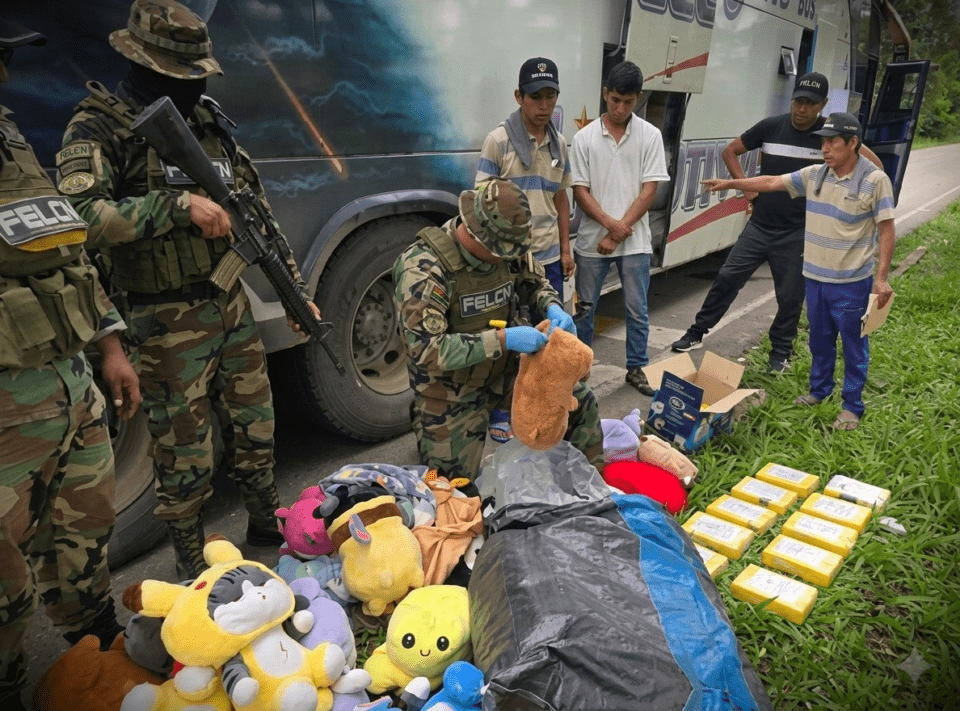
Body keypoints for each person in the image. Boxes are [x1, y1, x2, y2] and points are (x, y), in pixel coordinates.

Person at [58, 0, 320, 579]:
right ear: (144, 64)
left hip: (228, 303)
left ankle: (263, 526)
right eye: (181, 76)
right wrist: (175, 207)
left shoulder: (205, 121)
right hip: (162, 320)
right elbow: (78, 217)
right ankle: (191, 561)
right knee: (184, 453)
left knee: (257, 424)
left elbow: (257, 212)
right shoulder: (99, 125)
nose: (193, 86)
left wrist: (297, 293)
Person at [0, 21, 141, 710]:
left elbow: (64, 248)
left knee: (84, 546)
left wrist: (110, 344)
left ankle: (101, 665)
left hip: (69, 387)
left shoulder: (10, 135)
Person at [393, 179, 603, 480]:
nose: (508, 257)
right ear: (478, 237)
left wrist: (551, 305)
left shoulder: (505, 245)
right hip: (453, 390)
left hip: (506, 372)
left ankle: (592, 484)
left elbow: (535, 282)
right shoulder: (423, 269)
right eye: (501, 252)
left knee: (579, 400)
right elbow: (427, 350)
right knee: (455, 489)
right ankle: (427, 423)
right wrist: (505, 339)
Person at [702, 112, 895, 431]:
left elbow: (887, 229)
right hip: (815, 278)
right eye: (823, 141)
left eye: (833, 142)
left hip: (850, 282)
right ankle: (820, 391)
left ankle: (851, 406)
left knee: (852, 344)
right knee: (819, 340)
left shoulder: (875, 181)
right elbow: (771, 182)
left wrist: (882, 277)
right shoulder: (817, 174)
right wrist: (732, 182)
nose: (825, 148)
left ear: (852, 143)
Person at [671, 72, 834, 373]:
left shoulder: (829, 135)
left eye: (810, 104)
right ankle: (696, 333)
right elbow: (730, 151)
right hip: (760, 225)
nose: (801, 109)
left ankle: (780, 352)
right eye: (798, 101)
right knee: (727, 279)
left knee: (790, 296)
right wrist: (747, 187)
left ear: (823, 104)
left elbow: (858, 160)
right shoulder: (772, 126)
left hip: (798, 232)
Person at [569, 60, 670, 396]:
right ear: (605, 94)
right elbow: (580, 192)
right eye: (615, 100)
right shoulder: (584, 137)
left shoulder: (650, 135)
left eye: (628, 102)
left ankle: (636, 368)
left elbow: (649, 189)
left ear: (638, 98)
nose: (621, 108)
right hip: (591, 241)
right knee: (584, 309)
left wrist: (617, 231)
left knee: (637, 310)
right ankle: (579, 370)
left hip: (634, 241)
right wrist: (610, 226)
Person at [476, 56, 574, 300]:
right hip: (509, 262)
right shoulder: (498, 141)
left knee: (551, 331)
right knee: (516, 331)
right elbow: (480, 203)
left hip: (550, 260)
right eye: (535, 97)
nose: (543, 106)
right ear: (519, 97)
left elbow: (560, 198)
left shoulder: (560, 144)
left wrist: (565, 251)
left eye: (550, 97)